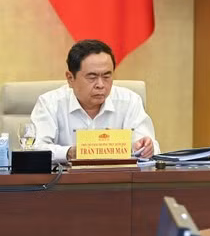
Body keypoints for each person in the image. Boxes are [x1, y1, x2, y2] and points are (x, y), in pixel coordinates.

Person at [30, 39, 160, 162]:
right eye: (92, 77)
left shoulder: (130, 101)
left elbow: (150, 145)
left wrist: (147, 147)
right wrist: (69, 153)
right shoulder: (50, 103)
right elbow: (34, 149)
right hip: (66, 183)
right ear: (70, 78)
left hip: (118, 181)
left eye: (107, 76)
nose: (101, 84)